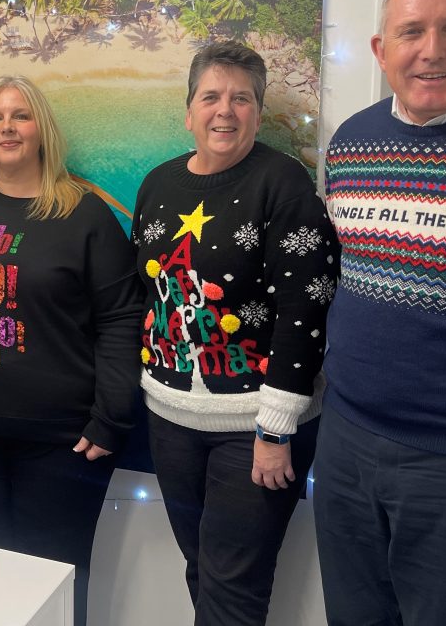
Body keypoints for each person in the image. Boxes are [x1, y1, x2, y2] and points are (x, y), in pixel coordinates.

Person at [316, 0, 446, 626]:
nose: (432, 51)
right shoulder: (352, 143)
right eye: (411, 32)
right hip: (347, 443)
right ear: (381, 49)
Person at [132, 41, 337, 625]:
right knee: (202, 569)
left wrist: (275, 428)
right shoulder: (158, 185)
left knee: (233, 587)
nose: (225, 110)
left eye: (241, 98)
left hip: (253, 430)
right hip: (170, 419)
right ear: (189, 110)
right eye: (211, 96)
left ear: (259, 109)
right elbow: (147, 295)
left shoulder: (283, 183)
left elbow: (307, 306)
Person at [0, 76, 141, 626]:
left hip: (60, 441)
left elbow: (121, 317)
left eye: (19, 116)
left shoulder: (82, 215)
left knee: (55, 586)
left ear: (41, 129)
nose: (7, 128)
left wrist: (112, 416)